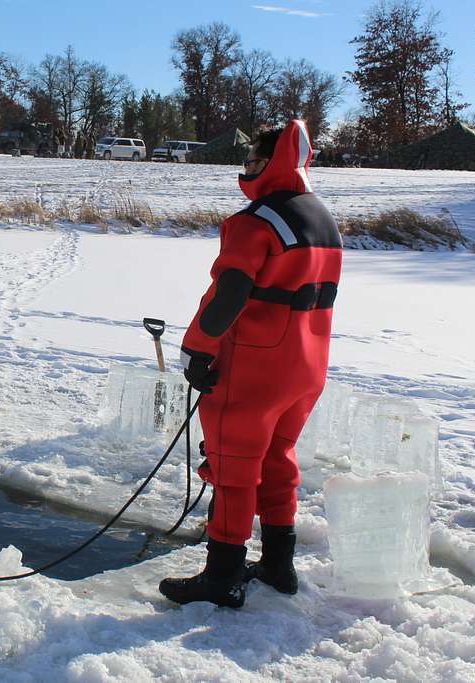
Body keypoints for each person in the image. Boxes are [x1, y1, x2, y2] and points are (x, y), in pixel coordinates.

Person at [158, 120, 343, 608]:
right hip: (307, 368)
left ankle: (222, 577)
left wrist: (197, 350)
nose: (246, 169)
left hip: (255, 368)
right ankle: (279, 565)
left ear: (275, 161)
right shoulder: (322, 217)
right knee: (278, 461)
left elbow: (229, 292)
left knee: (234, 470)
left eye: (253, 160)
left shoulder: (254, 221)